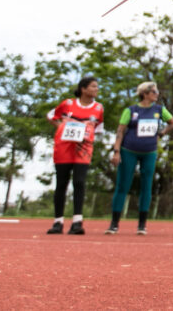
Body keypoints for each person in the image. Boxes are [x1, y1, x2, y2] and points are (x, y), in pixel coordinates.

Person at [106, 81, 173, 235]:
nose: (157, 95)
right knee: (123, 185)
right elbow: (120, 130)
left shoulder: (160, 110)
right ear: (145, 93)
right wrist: (116, 151)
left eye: (157, 92)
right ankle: (114, 223)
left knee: (147, 186)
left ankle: (142, 225)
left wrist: (161, 133)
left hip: (149, 152)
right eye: (154, 92)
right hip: (129, 151)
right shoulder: (131, 110)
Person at [46, 76, 104, 235]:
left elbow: (98, 129)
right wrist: (61, 128)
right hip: (63, 148)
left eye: (97, 87)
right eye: (93, 86)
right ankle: (58, 221)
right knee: (61, 183)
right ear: (83, 89)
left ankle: (77, 222)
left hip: (83, 150)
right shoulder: (67, 104)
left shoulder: (99, 108)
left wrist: (85, 135)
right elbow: (51, 116)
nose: (96, 89)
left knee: (79, 182)